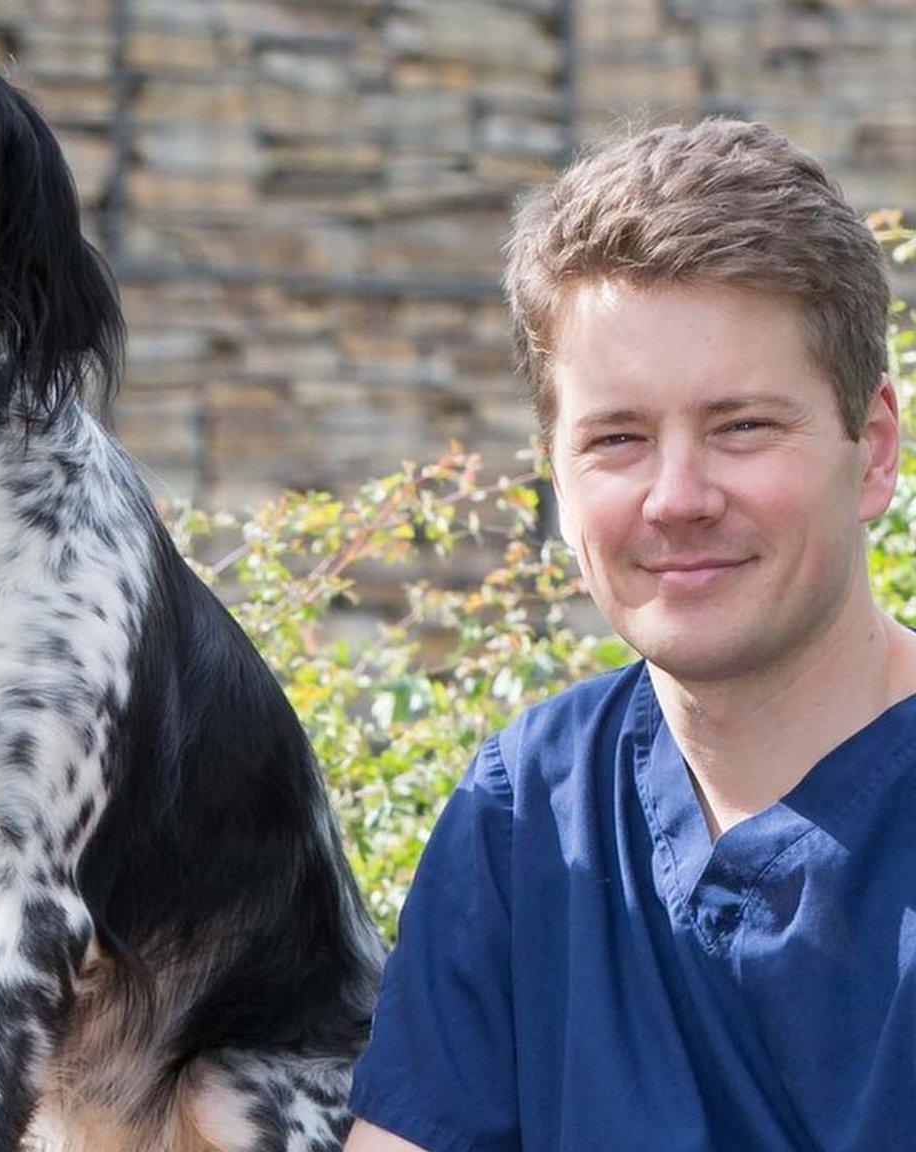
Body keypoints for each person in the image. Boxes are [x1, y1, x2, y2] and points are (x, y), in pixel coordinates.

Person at [344, 117, 915, 1152]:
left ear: (869, 451)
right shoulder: (527, 806)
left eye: (741, 425)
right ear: (555, 474)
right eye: (616, 439)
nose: (676, 497)